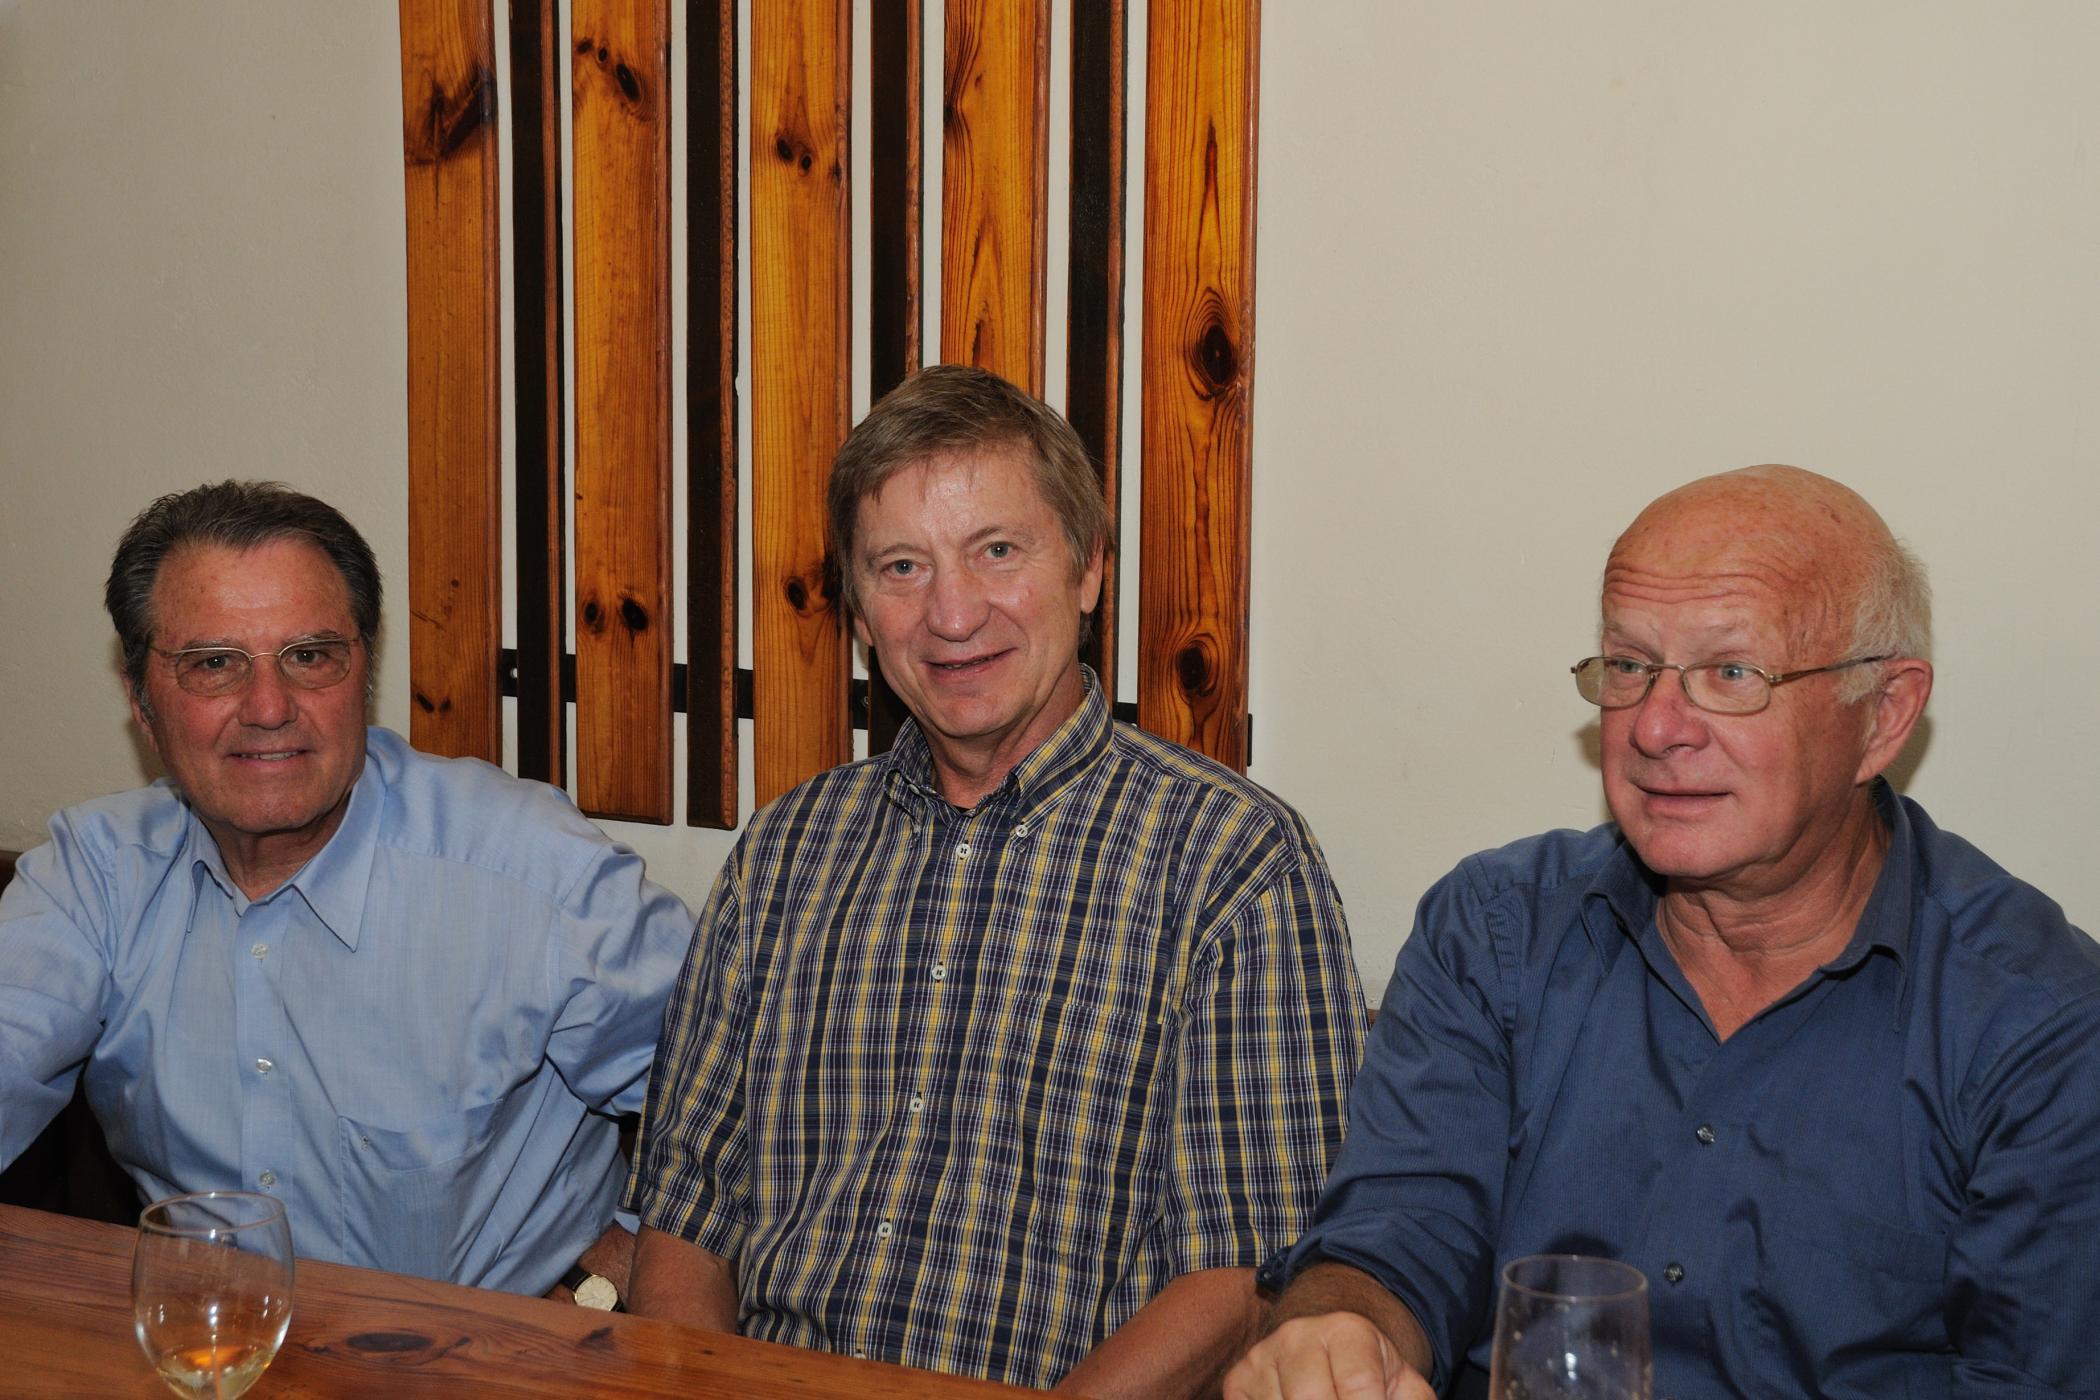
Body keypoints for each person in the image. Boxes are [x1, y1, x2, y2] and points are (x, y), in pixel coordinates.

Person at [1227, 465, 2100, 1399]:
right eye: (1630, 667)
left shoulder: (2038, 1019)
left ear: (1882, 715)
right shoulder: (1494, 932)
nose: (1655, 727)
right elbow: (1397, 1240)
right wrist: (1342, 1331)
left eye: (1732, 673)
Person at [627, 364, 1366, 1394]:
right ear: (858, 611)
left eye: (998, 551)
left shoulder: (1234, 864)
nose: (953, 613)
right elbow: (685, 1215)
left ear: (1089, 568)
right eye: (901, 566)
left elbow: (1250, 1270)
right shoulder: (784, 854)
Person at [0, 481, 694, 1301]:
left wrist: (619, 1268)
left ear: (363, 674)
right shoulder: (96, 877)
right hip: (209, 1343)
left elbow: (746, 1106)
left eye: (309, 656)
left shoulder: (532, 874)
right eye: (214, 664)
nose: (269, 708)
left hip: (487, 1351)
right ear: (142, 703)